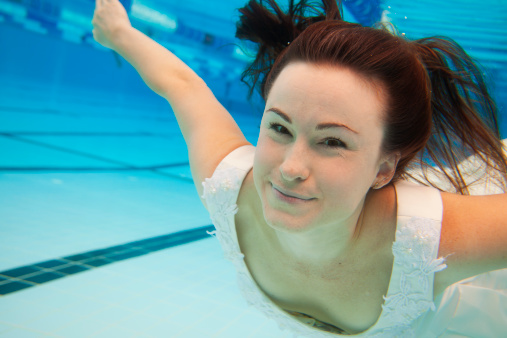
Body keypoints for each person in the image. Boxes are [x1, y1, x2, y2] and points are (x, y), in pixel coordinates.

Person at [92, 0, 507, 336]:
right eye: (279, 127)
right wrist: (118, 32)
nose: (290, 169)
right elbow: (182, 86)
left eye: (332, 142)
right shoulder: (229, 186)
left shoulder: (427, 238)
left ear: (384, 168)